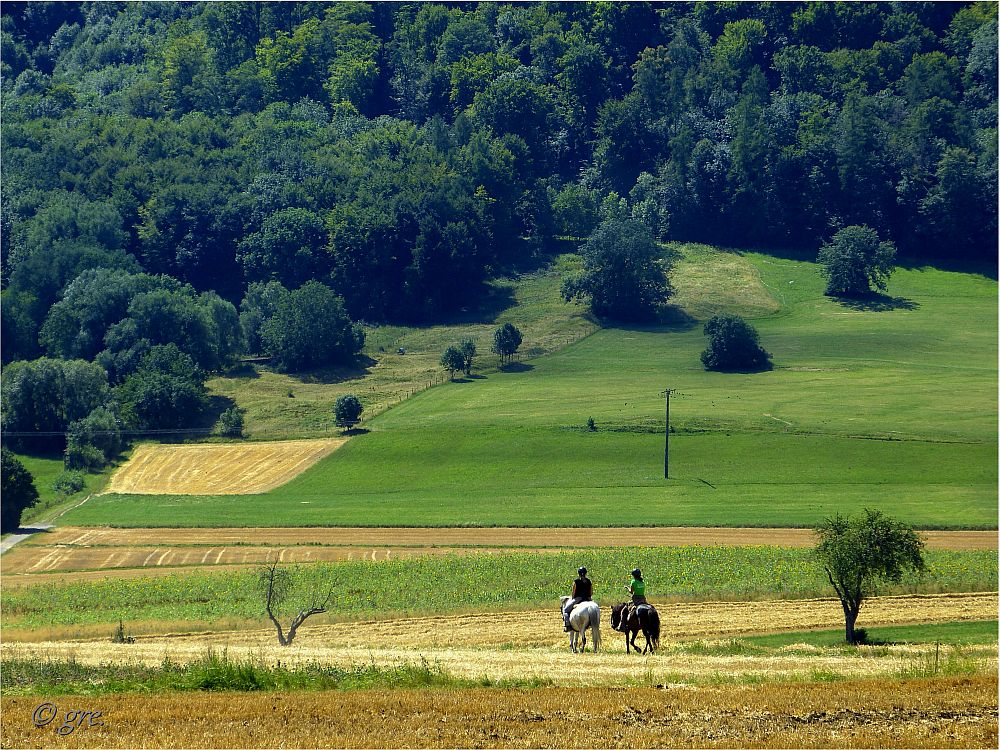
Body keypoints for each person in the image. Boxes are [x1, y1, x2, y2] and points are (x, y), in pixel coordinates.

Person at [563, 566, 592, 632]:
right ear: (585, 573)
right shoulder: (588, 581)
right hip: (588, 599)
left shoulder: (576, 582)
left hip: (578, 599)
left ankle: (567, 625)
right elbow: (591, 592)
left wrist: (573, 598)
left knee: (565, 610)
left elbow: (573, 593)